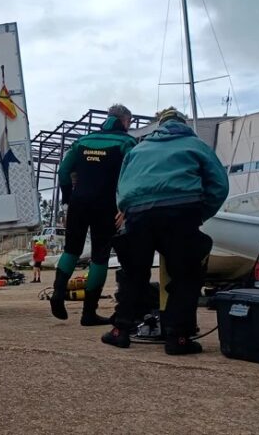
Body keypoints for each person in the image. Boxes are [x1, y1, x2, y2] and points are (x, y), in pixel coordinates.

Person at [102, 107, 229, 355]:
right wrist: (200, 214)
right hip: (180, 211)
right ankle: (178, 337)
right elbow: (219, 185)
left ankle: (120, 331)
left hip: (139, 213)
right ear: (183, 124)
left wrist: (128, 210)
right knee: (187, 273)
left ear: (158, 126)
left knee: (133, 273)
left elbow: (122, 189)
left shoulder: (138, 149)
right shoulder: (196, 145)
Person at [49, 104, 136, 326]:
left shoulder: (81, 142)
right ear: (124, 121)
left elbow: (63, 171)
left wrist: (69, 198)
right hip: (106, 205)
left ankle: (58, 294)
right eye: (129, 122)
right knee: (100, 255)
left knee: (71, 249)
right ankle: (89, 313)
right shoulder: (126, 143)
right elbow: (132, 176)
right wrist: (125, 205)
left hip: (79, 202)